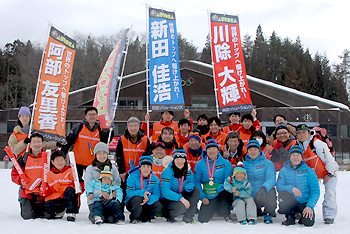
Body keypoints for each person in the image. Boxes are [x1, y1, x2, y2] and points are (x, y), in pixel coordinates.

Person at [61, 107, 113, 192]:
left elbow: (105, 142)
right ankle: (76, 203)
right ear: (86, 116)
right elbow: (69, 141)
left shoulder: (100, 129)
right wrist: (62, 154)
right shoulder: (79, 127)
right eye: (90, 114)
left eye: (94, 114)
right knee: (77, 187)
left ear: (97, 116)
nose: (92, 116)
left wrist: (111, 131)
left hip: (93, 163)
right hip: (78, 162)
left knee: (93, 186)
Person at [295, 124, 339, 224]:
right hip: (314, 173)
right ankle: (301, 210)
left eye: (304, 132)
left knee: (330, 192)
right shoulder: (298, 146)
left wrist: (330, 174)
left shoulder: (317, 144)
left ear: (309, 133)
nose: (302, 135)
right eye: (299, 133)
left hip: (328, 171)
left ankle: (329, 215)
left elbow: (329, 159)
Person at [277, 145, 320, 226]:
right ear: (290, 157)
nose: (295, 157)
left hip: (304, 202)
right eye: (293, 155)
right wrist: (291, 188)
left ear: (301, 157)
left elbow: (315, 191)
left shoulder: (309, 171)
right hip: (290, 201)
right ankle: (290, 217)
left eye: (298, 155)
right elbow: (279, 187)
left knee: (308, 223)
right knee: (283, 194)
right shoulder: (283, 170)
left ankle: (301, 216)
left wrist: (310, 206)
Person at [194, 139, 234, 223]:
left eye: (214, 148)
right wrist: (203, 197)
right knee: (202, 219)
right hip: (208, 195)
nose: (212, 151)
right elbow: (196, 182)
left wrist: (223, 186)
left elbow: (229, 180)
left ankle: (226, 213)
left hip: (221, 194)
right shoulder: (200, 164)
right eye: (209, 149)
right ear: (206, 150)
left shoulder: (226, 163)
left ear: (218, 150)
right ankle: (214, 208)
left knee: (226, 193)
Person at [11, 133, 49, 219]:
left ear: (43, 143)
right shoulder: (24, 157)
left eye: (39, 142)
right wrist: (20, 180)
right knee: (28, 216)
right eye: (34, 142)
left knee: (47, 215)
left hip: (44, 192)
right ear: (30, 144)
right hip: (28, 192)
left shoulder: (48, 157)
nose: (36, 144)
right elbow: (14, 173)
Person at [115, 117, 151, 205]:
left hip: (140, 171)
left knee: (140, 191)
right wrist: (122, 171)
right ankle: (120, 211)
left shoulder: (145, 139)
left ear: (139, 127)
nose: (133, 128)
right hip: (126, 171)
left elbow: (148, 156)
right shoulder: (122, 139)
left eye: (135, 125)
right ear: (127, 127)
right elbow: (119, 156)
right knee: (123, 191)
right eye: (131, 126)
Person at [84, 142, 121, 223]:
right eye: (99, 153)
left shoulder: (113, 168)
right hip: (95, 200)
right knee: (98, 217)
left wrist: (114, 192)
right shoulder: (90, 169)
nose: (102, 156)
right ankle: (93, 214)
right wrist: (101, 192)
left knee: (110, 219)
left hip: (109, 199)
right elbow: (87, 186)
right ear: (95, 155)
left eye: (104, 153)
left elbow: (117, 183)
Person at [161, 149, 200, 223]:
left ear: (185, 161)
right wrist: (181, 199)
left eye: (182, 159)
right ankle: (168, 215)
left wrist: (189, 186)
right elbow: (165, 191)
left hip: (182, 195)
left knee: (195, 191)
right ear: (174, 160)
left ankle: (188, 217)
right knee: (181, 207)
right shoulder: (167, 171)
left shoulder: (188, 171)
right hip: (169, 199)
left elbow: (192, 182)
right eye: (177, 159)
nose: (180, 162)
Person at [243, 139, 277, 224]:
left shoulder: (267, 163)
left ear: (259, 151)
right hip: (249, 195)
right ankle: (254, 210)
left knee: (271, 191)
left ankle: (268, 213)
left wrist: (264, 188)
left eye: (255, 149)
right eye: (250, 149)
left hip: (263, 193)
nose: (253, 151)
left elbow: (271, 179)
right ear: (247, 152)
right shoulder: (243, 165)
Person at [125, 156, 162, 223]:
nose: (146, 169)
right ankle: (134, 217)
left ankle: (144, 217)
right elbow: (129, 193)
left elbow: (156, 194)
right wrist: (142, 193)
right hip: (134, 202)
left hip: (147, 201)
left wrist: (148, 199)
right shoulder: (132, 177)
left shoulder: (155, 179)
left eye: (148, 166)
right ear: (140, 167)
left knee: (158, 206)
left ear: (151, 168)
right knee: (137, 199)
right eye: (144, 166)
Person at [45, 150, 78, 221]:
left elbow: (77, 185)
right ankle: (60, 211)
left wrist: (79, 187)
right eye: (57, 160)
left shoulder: (71, 171)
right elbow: (50, 188)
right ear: (52, 162)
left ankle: (71, 212)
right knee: (48, 205)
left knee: (69, 190)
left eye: (61, 160)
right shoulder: (49, 174)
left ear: (65, 161)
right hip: (57, 197)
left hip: (68, 195)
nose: (60, 162)